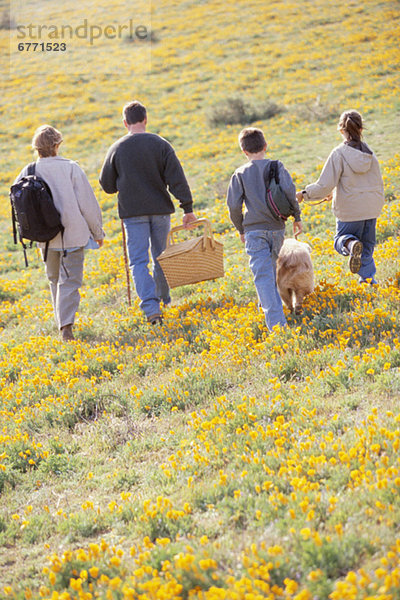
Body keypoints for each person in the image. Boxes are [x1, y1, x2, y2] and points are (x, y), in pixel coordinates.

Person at [99, 100, 196, 325]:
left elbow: (107, 186)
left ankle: (152, 310)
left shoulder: (117, 148)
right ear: (145, 119)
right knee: (161, 256)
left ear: (125, 123)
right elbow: (177, 179)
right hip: (160, 210)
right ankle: (164, 299)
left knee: (138, 262)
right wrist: (187, 208)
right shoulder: (160, 144)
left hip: (132, 214)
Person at [14, 125, 105, 341]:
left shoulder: (28, 171)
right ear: (56, 145)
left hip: (44, 238)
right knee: (70, 281)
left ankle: (61, 323)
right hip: (72, 235)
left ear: (37, 148)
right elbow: (88, 205)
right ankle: (66, 327)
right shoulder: (71, 168)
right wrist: (97, 232)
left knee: (54, 279)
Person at [227, 127, 302, 331]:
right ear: (265, 146)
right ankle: (267, 305)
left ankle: (277, 326)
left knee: (263, 275)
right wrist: (297, 216)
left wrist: (240, 228)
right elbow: (290, 192)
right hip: (277, 228)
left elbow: (234, 206)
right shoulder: (277, 167)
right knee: (269, 271)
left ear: (244, 151)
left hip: (253, 231)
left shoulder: (240, 173)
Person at [297, 110, 384, 284]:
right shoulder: (369, 153)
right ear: (360, 128)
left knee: (341, 240)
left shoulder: (339, 153)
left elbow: (324, 185)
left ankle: (351, 245)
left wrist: (304, 194)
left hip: (351, 209)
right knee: (366, 247)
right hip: (372, 206)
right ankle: (368, 280)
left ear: (341, 130)